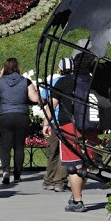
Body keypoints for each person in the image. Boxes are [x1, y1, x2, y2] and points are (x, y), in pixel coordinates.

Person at [54, 51, 101, 213]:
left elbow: (52, 103)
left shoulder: (65, 82)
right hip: (91, 127)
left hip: (69, 125)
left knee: (74, 164)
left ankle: (77, 201)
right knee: (85, 163)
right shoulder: (95, 82)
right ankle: (77, 194)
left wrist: (47, 123)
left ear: (74, 65)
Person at [0, 57, 39, 185]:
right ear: (17, 67)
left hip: (6, 116)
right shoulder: (26, 81)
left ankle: (6, 171)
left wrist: (0, 77)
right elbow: (34, 99)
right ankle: (17, 174)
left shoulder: (1, 82)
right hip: (21, 116)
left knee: (5, 146)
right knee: (19, 146)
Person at [40, 58, 71, 192]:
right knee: (65, 153)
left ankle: (49, 180)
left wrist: (45, 122)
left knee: (52, 152)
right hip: (67, 122)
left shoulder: (53, 81)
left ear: (59, 69)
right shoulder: (73, 83)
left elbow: (45, 102)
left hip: (53, 122)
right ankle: (60, 181)